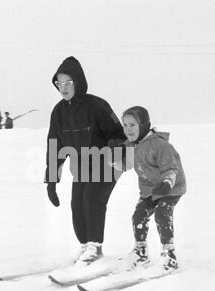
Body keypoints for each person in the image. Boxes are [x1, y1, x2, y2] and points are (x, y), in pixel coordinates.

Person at [45, 56, 127, 264]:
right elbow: (55, 145)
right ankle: (85, 246)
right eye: (59, 83)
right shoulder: (58, 113)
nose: (63, 88)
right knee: (77, 204)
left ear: (78, 82)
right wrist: (52, 180)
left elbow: (118, 133)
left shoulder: (97, 106)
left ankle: (95, 247)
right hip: (82, 166)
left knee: (92, 197)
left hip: (107, 162)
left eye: (68, 83)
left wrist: (115, 157)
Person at [110, 106, 186, 271]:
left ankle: (169, 255)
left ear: (143, 125)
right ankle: (141, 251)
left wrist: (166, 183)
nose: (128, 129)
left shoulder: (159, 145)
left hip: (170, 188)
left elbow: (171, 168)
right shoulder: (131, 145)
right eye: (125, 125)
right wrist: (114, 154)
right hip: (149, 190)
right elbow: (126, 165)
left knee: (162, 214)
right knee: (138, 216)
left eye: (132, 125)